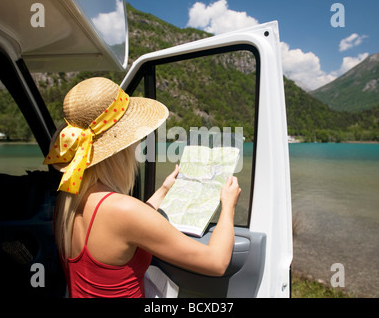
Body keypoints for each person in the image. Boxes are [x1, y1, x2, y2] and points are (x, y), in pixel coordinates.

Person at [44, 77, 241, 298]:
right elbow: (216, 262)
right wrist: (228, 207)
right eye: (135, 138)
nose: (138, 143)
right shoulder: (124, 211)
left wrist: (164, 189)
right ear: (120, 149)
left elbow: (123, 225)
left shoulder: (67, 199)